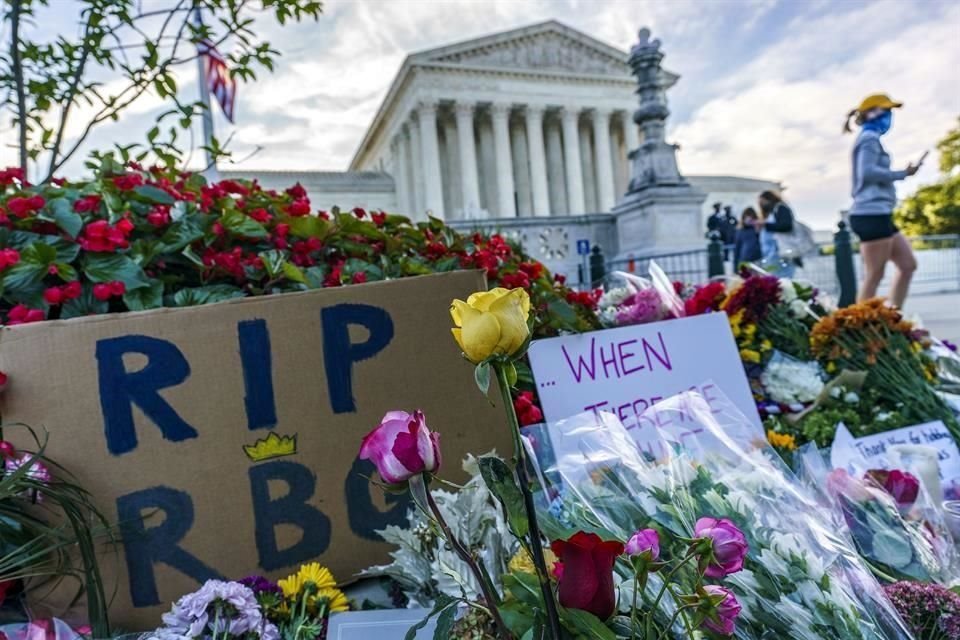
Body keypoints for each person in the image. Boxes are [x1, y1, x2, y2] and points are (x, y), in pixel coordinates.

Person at [844, 93, 923, 308]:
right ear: (871, 113)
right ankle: (859, 329)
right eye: (886, 110)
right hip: (870, 214)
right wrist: (902, 174)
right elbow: (867, 172)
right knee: (874, 276)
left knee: (907, 265)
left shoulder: (871, 139)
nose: (889, 116)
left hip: (880, 213)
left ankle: (893, 316)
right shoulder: (868, 138)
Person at [755, 190, 796, 276]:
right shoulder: (771, 212)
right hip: (771, 254)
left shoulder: (781, 208)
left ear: (769, 199)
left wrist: (766, 225)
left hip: (781, 253)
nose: (762, 205)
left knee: (782, 280)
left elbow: (786, 226)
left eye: (763, 202)